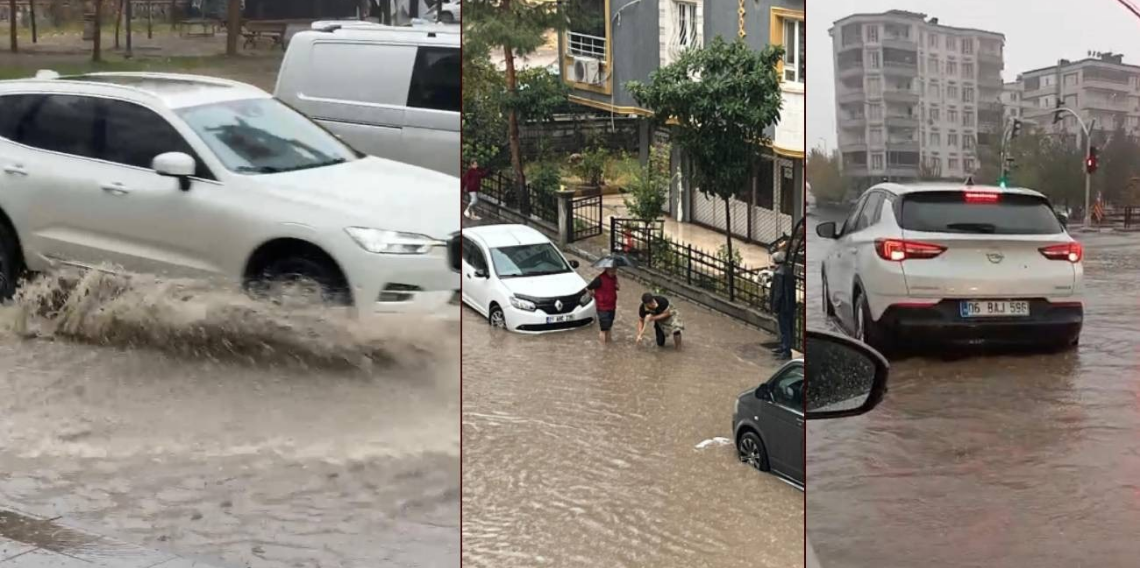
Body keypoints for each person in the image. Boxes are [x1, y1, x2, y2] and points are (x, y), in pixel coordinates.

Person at [769, 250, 796, 360]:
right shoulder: (787, 270)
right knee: (787, 327)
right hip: (790, 304)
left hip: (783, 306)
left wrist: (775, 307)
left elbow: (778, 292)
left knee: (784, 328)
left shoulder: (779, 273)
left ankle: (786, 349)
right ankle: (784, 346)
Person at [586, 267, 620, 344]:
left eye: (614, 271)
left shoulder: (614, 278)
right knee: (604, 328)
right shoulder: (599, 279)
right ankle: (603, 347)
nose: (613, 272)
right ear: (606, 269)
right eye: (612, 271)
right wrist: (594, 295)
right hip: (602, 307)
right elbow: (588, 288)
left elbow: (616, 287)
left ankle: (609, 344)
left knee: (609, 326)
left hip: (612, 305)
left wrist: (617, 286)